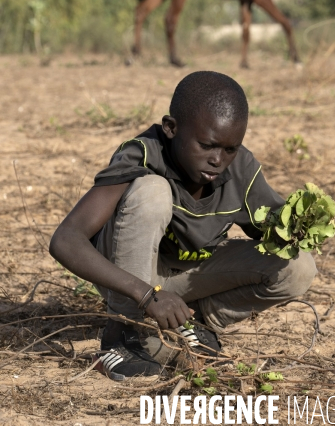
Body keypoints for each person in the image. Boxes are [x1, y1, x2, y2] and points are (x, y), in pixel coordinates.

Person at [50, 71, 316, 380]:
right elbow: (66, 240)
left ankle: (195, 323)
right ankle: (123, 335)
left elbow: (273, 235)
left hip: (181, 283)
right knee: (152, 191)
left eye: (230, 149)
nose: (218, 159)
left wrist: (300, 225)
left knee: (297, 267)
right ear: (171, 128)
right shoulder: (144, 154)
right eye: (207, 145)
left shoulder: (240, 171)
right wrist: (147, 295)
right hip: (130, 279)